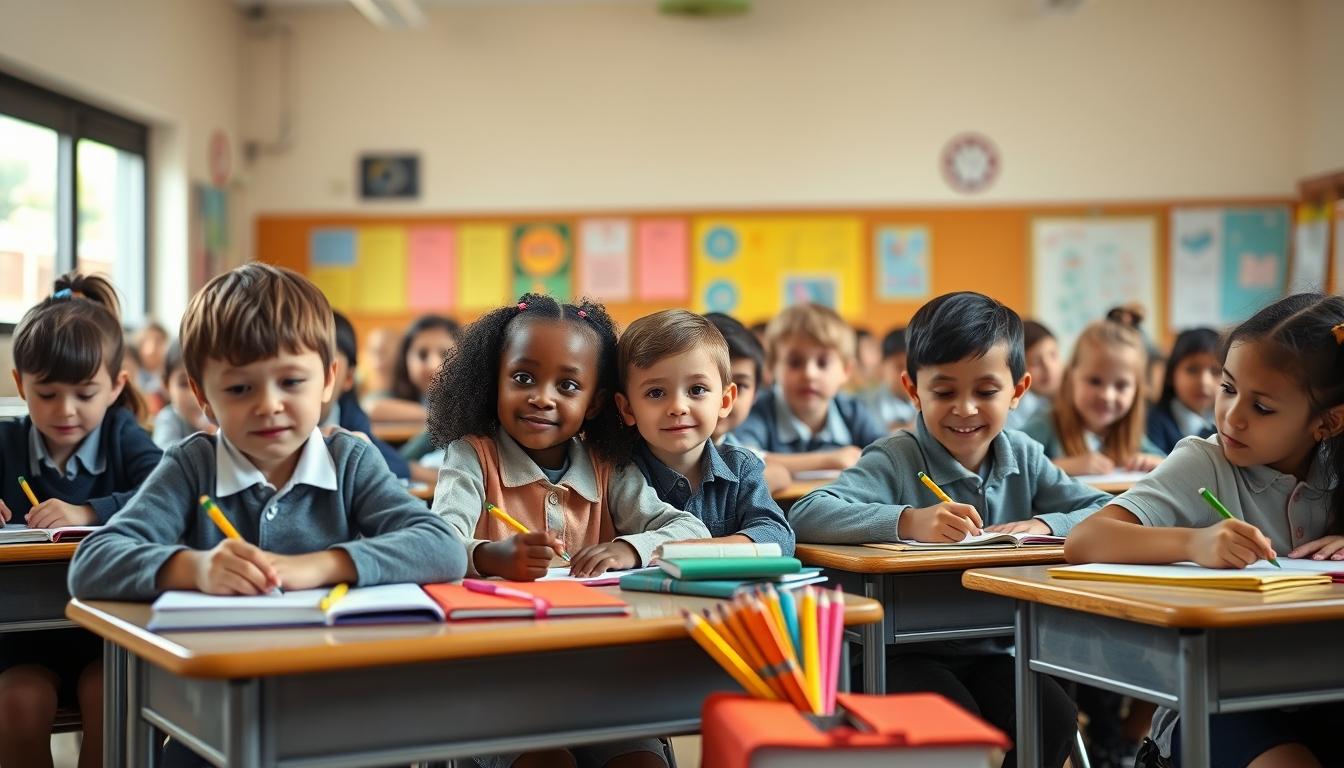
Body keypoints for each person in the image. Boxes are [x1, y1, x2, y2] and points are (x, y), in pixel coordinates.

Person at [790, 291, 1109, 768]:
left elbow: (1106, 510)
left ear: (1019, 390)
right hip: (899, 653)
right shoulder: (896, 457)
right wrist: (907, 520)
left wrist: (1046, 522)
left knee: (1053, 719)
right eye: (943, 392)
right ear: (913, 390)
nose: (964, 409)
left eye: (985, 391)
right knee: (952, 728)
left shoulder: (1022, 455)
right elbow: (807, 512)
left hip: (993, 647)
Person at [1065, 293, 1344, 768]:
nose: (1233, 415)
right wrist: (1194, 542)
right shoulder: (1205, 461)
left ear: (1327, 423)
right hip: (1218, 705)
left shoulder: (1334, 473)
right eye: (1229, 388)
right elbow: (1085, 540)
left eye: (1263, 407)